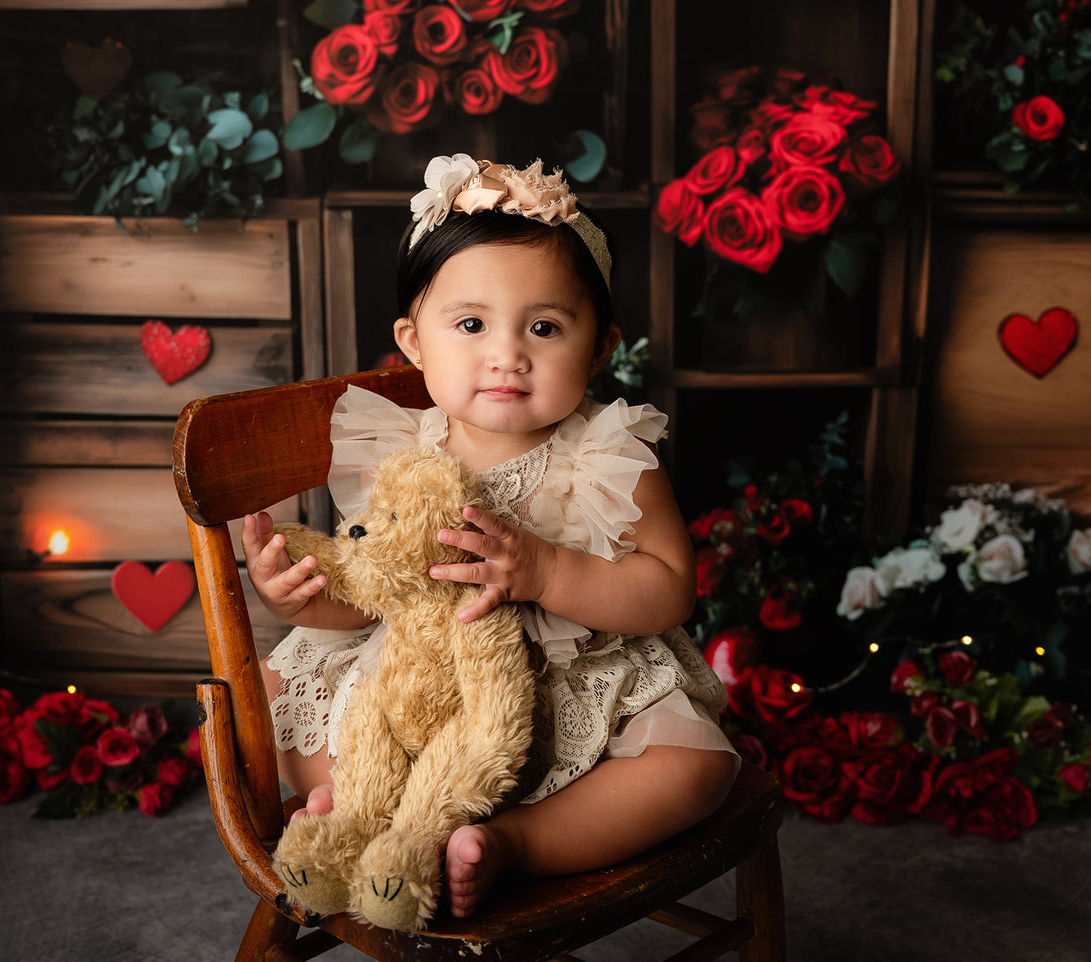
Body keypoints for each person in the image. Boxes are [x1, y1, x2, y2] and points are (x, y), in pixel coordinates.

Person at [240, 153, 740, 920]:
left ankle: (515, 842)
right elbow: (382, 594)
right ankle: (361, 815)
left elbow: (669, 589)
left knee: (695, 768)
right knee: (282, 689)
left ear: (599, 346)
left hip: (572, 687)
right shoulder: (401, 449)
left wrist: (545, 572)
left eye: (543, 326)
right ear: (413, 341)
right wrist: (303, 601)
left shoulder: (607, 456)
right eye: (470, 324)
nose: (506, 353)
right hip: (420, 684)